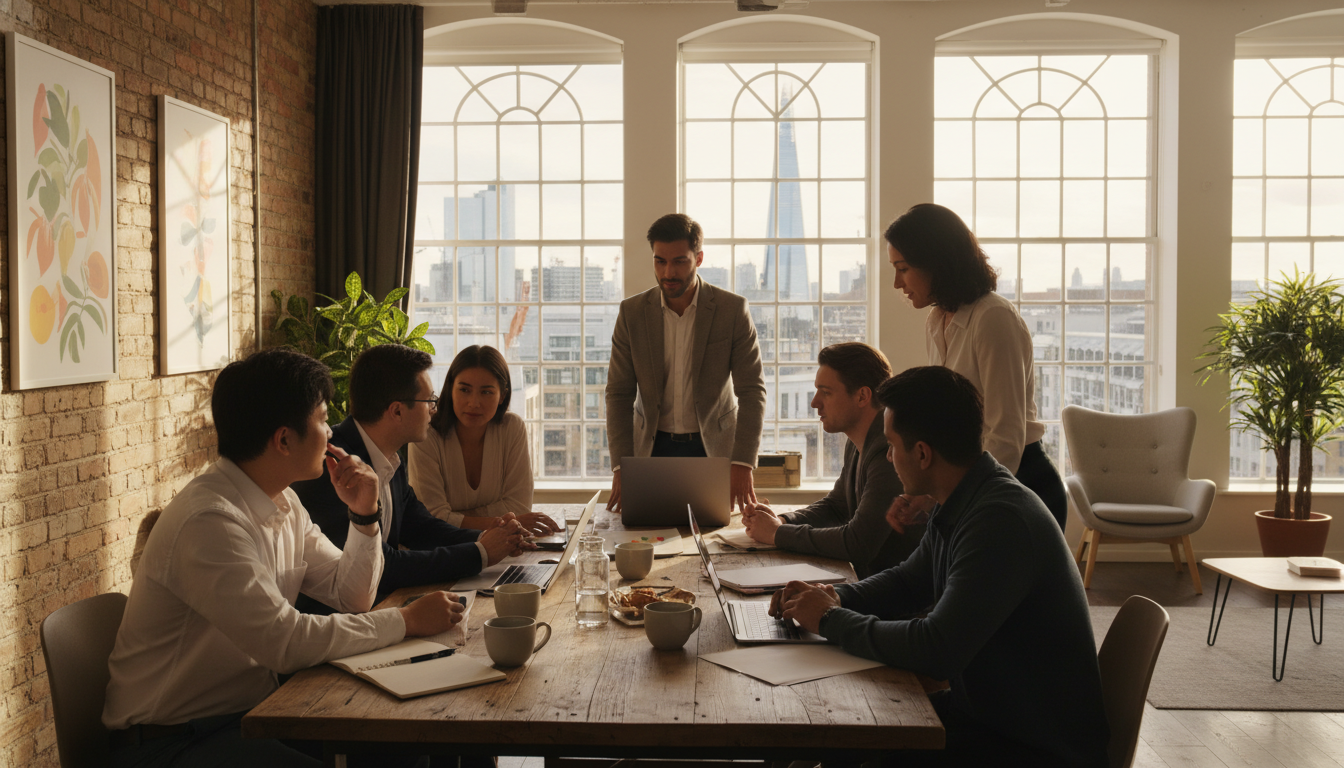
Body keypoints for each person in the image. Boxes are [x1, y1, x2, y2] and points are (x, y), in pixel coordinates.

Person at [103, 347, 466, 767]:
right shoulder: (210, 522)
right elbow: (284, 642)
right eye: (322, 420)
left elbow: (352, 597)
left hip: (251, 718)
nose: (331, 433)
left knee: (405, 746)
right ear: (283, 440)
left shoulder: (285, 502)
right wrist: (405, 620)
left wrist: (364, 516)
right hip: (172, 741)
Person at [771, 366, 1108, 768]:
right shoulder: (966, 497)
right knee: (826, 736)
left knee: (837, 737)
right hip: (989, 717)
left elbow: (936, 649)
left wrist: (829, 619)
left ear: (922, 453)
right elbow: (908, 582)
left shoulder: (999, 521)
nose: (889, 457)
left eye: (891, 445)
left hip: (1029, 746)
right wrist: (831, 597)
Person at [293, 343, 528, 610]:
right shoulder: (334, 466)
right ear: (397, 411)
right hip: (337, 625)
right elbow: (382, 566)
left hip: (380, 609)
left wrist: (490, 537)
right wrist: (481, 553)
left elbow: (421, 527)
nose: (434, 409)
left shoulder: (390, 457)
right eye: (429, 401)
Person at [885, 203, 1069, 530]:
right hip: (975, 483)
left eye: (903, 268)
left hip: (1019, 482)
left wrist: (955, 499)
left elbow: (1006, 438)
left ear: (936, 262)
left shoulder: (993, 318)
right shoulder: (937, 320)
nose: (897, 283)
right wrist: (929, 494)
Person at [605, 213, 767, 512]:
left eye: (679, 261)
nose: (668, 272)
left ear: (699, 258)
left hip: (713, 449)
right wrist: (620, 466)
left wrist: (743, 462)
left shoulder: (732, 310)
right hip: (650, 449)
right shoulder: (632, 313)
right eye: (660, 261)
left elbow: (752, 391)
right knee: (646, 530)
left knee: (713, 531)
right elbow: (618, 394)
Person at [740, 342, 921, 578]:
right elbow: (836, 507)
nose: (814, 402)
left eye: (825, 392)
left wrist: (777, 534)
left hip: (891, 593)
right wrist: (782, 520)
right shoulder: (858, 442)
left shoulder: (887, 452)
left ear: (862, 396)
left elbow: (859, 542)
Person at [409, 345, 559, 537]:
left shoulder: (512, 428)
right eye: (464, 390)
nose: (474, 403)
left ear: (502, 396)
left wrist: (456, 517)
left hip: (499, 545)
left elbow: (519, 506)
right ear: (451, 389)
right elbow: (433, 520)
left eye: (486, 392)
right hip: (441, 549)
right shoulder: (426, 434)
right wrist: (503, 521)